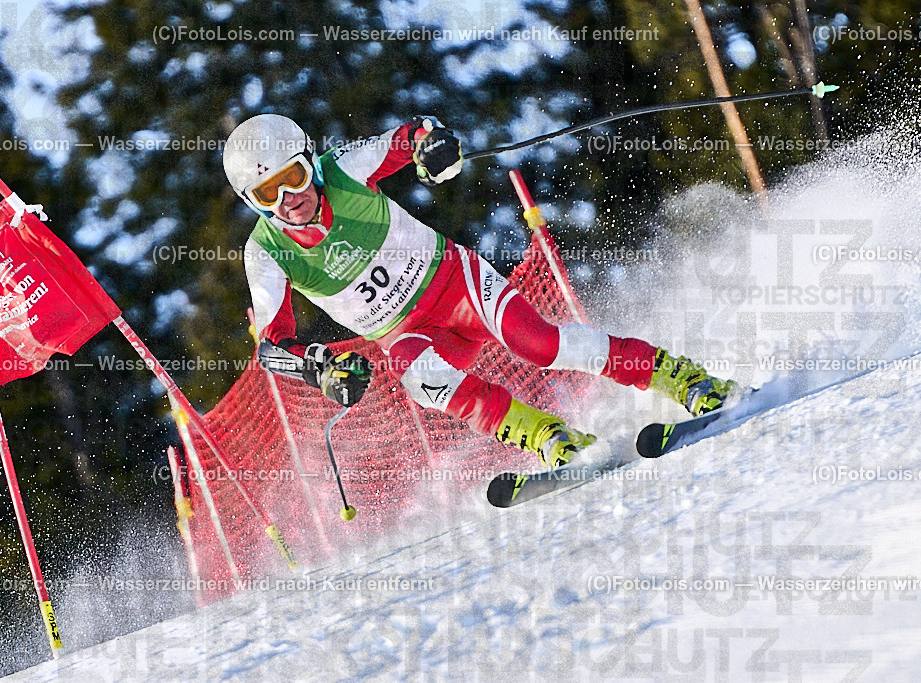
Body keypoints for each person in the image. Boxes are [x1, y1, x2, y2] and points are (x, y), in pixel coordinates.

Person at [224, 114, 736, 467]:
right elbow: (272, 345)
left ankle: (679, 377)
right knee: (422, 382)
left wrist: (432, 146)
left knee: (541, 346)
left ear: (309, 161)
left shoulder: (344, 169)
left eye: (292, 177)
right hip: (405, 331)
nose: (289, 200)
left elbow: (411, 135)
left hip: (454, 286)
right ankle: (549, 436)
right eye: (268, 194)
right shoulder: (266, 251)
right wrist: (319, 366)